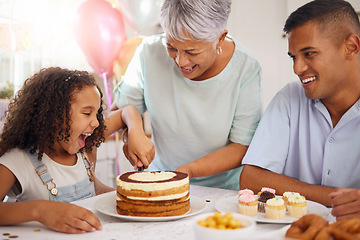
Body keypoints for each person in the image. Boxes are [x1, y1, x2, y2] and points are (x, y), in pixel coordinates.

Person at [112, 0, 262, 190]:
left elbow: (242, 146)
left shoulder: (245, 68)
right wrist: (131, 136)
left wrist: (187, 171)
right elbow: (121, 112)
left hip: (222, 192)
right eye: (171, 47)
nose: (181, 61)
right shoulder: (148, 53)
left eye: (192, 52)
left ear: (220, 38)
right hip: (162, 182)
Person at [240, 0, 360, 220]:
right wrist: (336, 197)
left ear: (351, 47)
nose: (297, 68)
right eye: (294, 57)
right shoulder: (290, 97)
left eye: (309, 54)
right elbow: (251, 178)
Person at [0, 67, 154, 233]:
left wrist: (136, 133)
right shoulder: (18, 160)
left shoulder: (85, 143)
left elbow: (126, 112)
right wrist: (40, 210)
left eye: (97, 114)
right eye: (87, 113)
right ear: (54, 114)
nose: (95, 123)